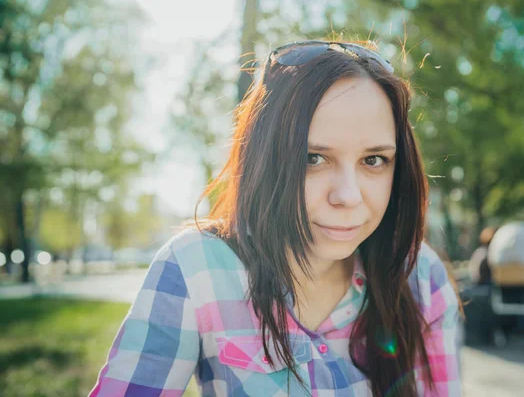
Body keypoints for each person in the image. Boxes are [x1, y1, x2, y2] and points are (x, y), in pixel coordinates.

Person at [89, 41, 461, 397]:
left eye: (373, 160)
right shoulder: (195, 269)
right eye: (312, 158)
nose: (347, 196)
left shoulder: (421, 277)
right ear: (265, 159)